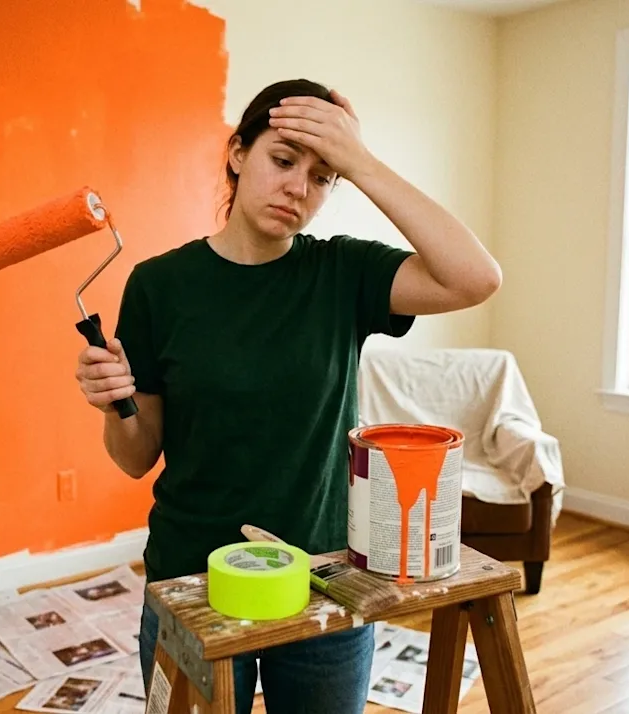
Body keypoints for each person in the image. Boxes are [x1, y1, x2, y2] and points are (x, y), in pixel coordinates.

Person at [74, 78, 501, 714]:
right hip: (195, 578)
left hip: (323, 572)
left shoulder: (343, 273)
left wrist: (363, 162)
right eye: (282, 160)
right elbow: (136, 456)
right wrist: (115, 405)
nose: (298, 187)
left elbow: (475, 278)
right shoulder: (159, 286)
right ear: (238, 154)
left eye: (324, 175)